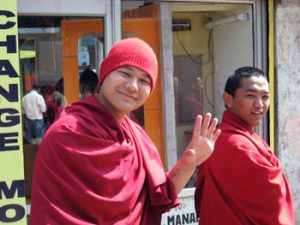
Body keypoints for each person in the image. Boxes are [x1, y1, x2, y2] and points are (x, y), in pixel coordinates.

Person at [30, 37, 221, 225]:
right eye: (125, 73)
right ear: (105, 74)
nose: (133, 86)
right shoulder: (67, 133)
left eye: (144, 80)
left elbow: (159, 199)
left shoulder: (136, 136)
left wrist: (190, 161)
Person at [194, 66, 295, 225]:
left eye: (265, 97)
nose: (259, 105)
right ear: (228, 99)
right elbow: (273, 197)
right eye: (250, 95)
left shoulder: (234, 136)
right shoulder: (235, 143)